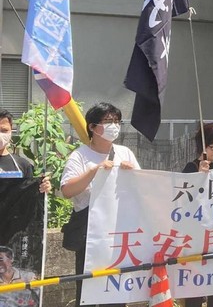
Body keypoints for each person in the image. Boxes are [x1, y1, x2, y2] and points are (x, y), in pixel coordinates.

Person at [61, 102, 140, 307]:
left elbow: (140, 189)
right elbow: (67, 190)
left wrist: (132, 174)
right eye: (107, 121)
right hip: (90, 234)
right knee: (87, 289)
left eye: (116, 121)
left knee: (115, 288)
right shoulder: (80, 156)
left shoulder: (125, 152)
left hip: (118, 232)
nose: (114, 125)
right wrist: (93, 171)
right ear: (92, 127)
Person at [182, 122, 213, 307]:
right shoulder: (190, 168)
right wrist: (198, 177)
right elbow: (182, 202)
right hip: (197, 238)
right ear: (202, 146)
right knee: (195, 286)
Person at [0, 109, 51, 193]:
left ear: (11, 131)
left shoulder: (23, 165)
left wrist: (43, 188)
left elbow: (29, 197)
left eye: (4, 130)